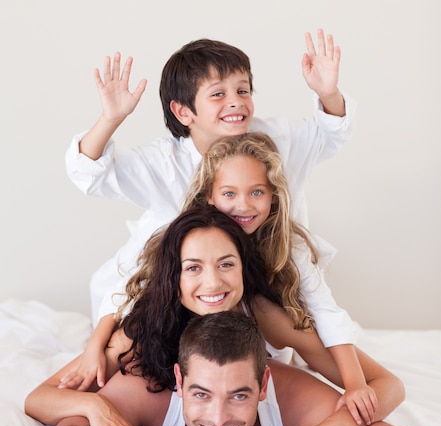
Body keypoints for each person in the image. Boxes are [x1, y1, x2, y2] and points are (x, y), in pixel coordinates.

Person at [65, 31, 355, 384]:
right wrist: (110, 119)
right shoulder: (165, 163)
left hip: (256, 281)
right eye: (218, 94)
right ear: (183, 111)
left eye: (243, 90)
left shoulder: (275, 141)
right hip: (186, 287)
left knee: (271, 341)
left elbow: (329, 134)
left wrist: (327, 94)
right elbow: (89, 174)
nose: (235, 102)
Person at [26, 208, 406, 426]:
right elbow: (39, 399)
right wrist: (93, 404)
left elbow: (387, 384)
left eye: (226, 264)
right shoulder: (145, 329)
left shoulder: (266, 315)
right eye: (193, 268)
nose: (212, 283)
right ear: (174, 277)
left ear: (243, 268)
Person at [64, 133, 374, 424]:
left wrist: (354, 387)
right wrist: (95, 347)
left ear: (273, 197)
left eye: (257, 192)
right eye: (229, 193)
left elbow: (325, 310)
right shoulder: (182, 244)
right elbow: (128, 292)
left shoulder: (270, 295)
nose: (243, 205)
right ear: (209, 197)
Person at [32, 312, 429, 426]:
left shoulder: (289, 393)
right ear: (179, 381)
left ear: (262, 386)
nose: (218, 417)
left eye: (239, 395)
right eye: (201, 394)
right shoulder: (147, 387)